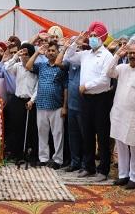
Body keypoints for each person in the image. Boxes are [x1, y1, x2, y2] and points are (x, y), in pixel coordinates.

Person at [62, 21, 114, 182]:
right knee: (87, 133)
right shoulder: (85, 55)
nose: (91, 38)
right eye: (90, 36)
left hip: (101, 99)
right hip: (86, 100)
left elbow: (106, 81)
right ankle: (88, 166)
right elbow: (68, 57)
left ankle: (103, 170)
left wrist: (86, 86)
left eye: (94, 36)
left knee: (102, 135)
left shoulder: (107, 56)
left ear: (102, 38)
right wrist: (75, 42)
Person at [106, 43, 135, 189]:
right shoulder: (121, 68)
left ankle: (134, 177)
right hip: (119, 113)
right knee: (120, 145)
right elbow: (108, 72)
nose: (132, 56)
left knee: (134, 146)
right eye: (130, 53)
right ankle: (123, 175)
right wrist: (116, 56)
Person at [26, 42, 67, 169]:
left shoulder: (61, 67)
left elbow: (66, 88)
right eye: (48, 50)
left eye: (53, 50)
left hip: (56, 105)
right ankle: (43, 158)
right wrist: (38, 52)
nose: (50, 52)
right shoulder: (42, 65)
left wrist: (65, 106)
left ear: (57, 52)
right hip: (41, 105)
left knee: (58, 134)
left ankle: (58, 160)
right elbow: (28, 66)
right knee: (42, 133)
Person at [4, 42, 38, 163]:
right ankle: (17, 154)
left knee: (31, 129)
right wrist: (15, 55)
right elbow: (6, 67)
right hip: (18, 100)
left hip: (30, 102)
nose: (24, 56)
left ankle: (31, 154)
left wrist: (32, 100)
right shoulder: (17, 66)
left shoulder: (35, 67)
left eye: (27, 54)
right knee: (16, 128)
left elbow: (37, 87)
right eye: (23, 54)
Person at [54, 41, 84, 172]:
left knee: (84, 136)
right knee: (73, 136)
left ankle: (85, 164)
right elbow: (57, 63)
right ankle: (74, 162)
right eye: (77, 47)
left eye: (81, 47)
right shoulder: (70, 61)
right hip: (71, 105)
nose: (78, 50)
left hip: (83, 105)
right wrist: (66, 48)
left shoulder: (86, 62)